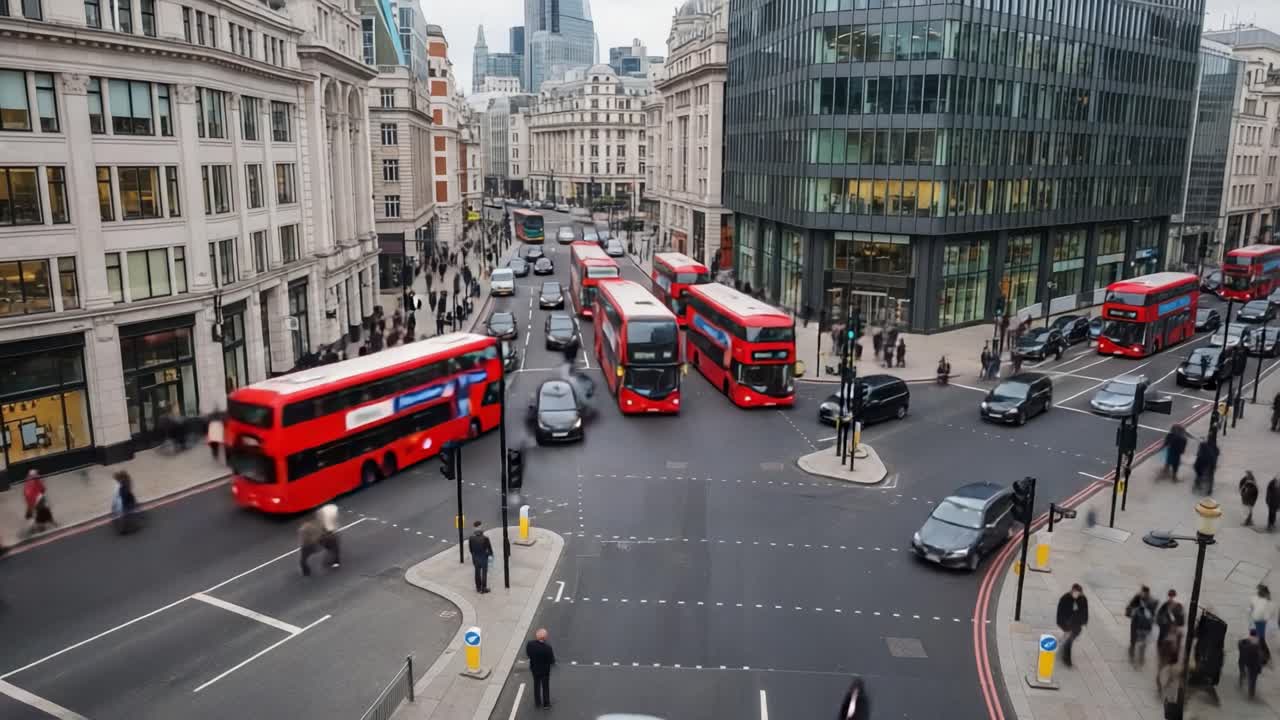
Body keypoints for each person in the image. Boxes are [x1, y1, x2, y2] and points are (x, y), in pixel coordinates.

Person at [1056, 583, 1089, 667]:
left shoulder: (1082, 599)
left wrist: (1084, 621)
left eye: (1078, 592)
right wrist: (1062, 624)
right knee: (1069, 641)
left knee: (1069, 638)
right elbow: (1060, 613)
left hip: (1076, 624)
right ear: (1072, 590)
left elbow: (1085, 611)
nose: (1076, 594)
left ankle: (1064, 647)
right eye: (1075, 592)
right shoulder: (1065, 598)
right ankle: (1066, 658)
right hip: (1067, 624)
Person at [1125, 585, 1158, 667]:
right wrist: (1131, 611)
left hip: (1145, 624)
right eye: (1141, 592)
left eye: (1143, 592)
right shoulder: (1137, 597)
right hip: (1136, 622)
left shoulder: (1152, 601)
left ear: (1147, 593)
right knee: (1133, 638)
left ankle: (1141, 657)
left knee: (1143, 641)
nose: (1142, 594)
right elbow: (1130, 606)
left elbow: (1153, 613)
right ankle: (1132, 652)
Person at [525, 628, 556, 708]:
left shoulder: (530, 644)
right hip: (545, 671)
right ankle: (546, 704)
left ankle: (537, 702)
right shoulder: (547, 648)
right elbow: (551, 660)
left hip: (534, 669)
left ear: (537, 636)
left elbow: (528, 654)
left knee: (536, 684)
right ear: (545, 637)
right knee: (545, 686)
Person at [1156, 645, 1182, 720]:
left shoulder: (1170, 668)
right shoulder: (1175, 668)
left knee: (1169, 709)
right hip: (1174, 696)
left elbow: (1167, 681)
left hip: (1172, 695)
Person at [468, 521, 494, 593]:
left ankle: (478, 588)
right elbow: (489, 549)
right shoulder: (485, 538)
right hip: (483, 558)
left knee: (477, 572)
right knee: (484, 573)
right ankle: (484, 588)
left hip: (475, 558)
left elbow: (470, 549)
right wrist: (490, 555)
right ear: (480, 527)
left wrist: (474, 555)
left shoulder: (471, 538)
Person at [1249, 584, 1272, 665]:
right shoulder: (1257, 599)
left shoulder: (1265, 601)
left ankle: (1265, 657)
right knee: (1255, 640)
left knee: (1260, 640)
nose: (1257, 592)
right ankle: (1259, 656)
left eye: (1259, 590)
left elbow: (1266, 615)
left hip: (1260, 623)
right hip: (1254, 622)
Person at [1240, 629, 1265, 698]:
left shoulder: (1246, 641)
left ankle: (1251, 691)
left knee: (1251, 676)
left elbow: (1241, 647)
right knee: (1254, 678)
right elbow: (1262, 654)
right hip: (1256, 663)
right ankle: (1251, 692)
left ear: (1250, 634)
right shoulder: (1260, 641)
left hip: (1249, 662)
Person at [318, 503, 340, 569]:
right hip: (330, 531)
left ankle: (336, 560)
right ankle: (336, 560)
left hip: (328, 531)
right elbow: (335, 519)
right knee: (334, 547)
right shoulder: (333, 508)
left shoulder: (321, 511)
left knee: (333, 547)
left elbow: (321, 520)